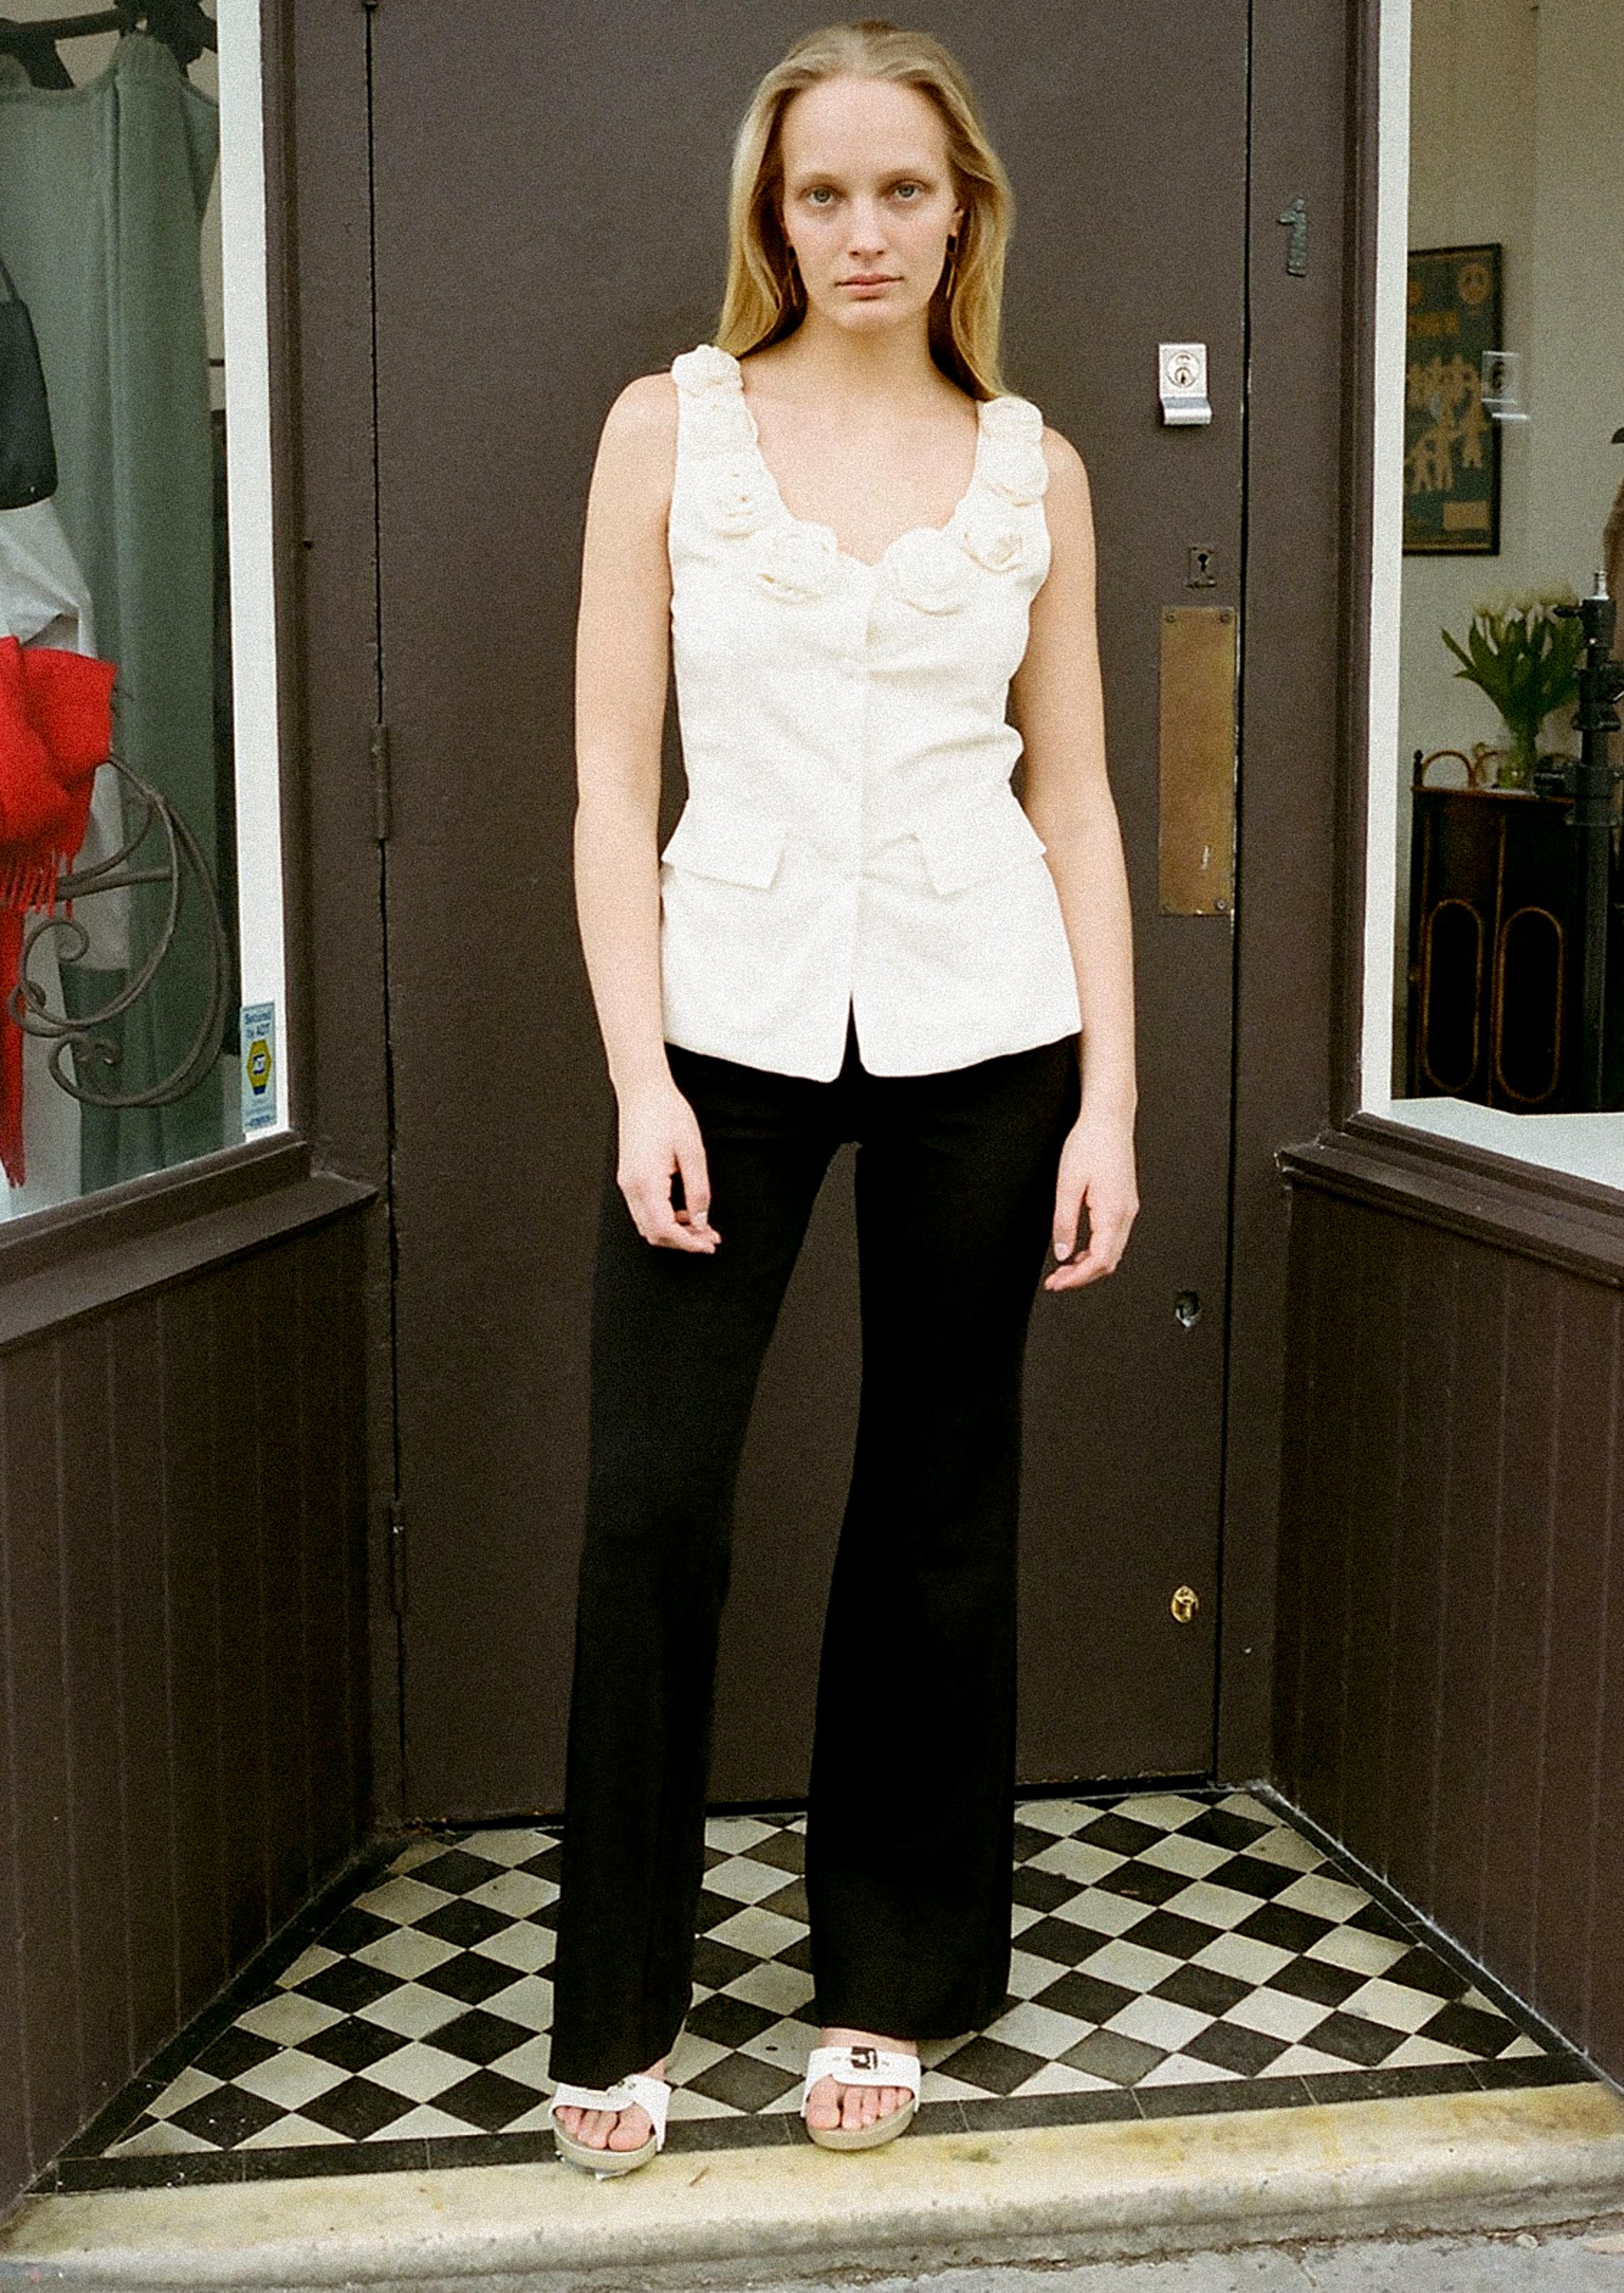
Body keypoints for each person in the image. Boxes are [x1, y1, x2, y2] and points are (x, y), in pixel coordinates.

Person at [547, 17, 1137, 2177]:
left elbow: (1073, 799)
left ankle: (891, 1973)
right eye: (822, 192)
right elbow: (615, 780)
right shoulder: (665, 430)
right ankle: (614, 2000)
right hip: (722, 1024)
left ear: (963, 205)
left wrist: (1112, 1109)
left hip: (992, 1026)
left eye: (903, 188)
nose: (863, 228)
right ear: (768, 214)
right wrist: (636, 1075)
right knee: (649, 1505)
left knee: (934, 1503)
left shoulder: (1030, 468)